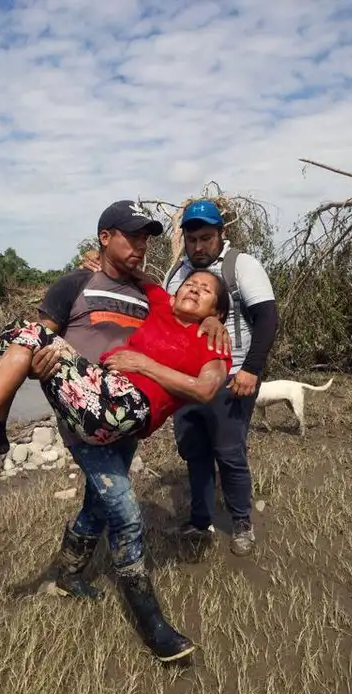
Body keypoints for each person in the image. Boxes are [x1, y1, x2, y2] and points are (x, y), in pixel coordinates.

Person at [2, 200, 228, 664]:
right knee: (125, 512)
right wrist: (40, 366)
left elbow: (180, 307)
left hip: (129, 414)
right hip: (86, 408)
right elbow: (37, 340)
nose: (140, 246)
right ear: (105, 238)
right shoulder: (76, 281)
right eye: (132, 236)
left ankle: (66, 574)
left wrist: (213, 314)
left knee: (97, 504)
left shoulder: (150, 294)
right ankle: (150, 620)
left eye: (146, 239)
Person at [83, 199, 278, 557]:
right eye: (192, 239)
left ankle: (241, 522)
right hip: (179, 382)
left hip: (232, 377)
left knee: (230, 453)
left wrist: (251, 368)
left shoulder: (242, 266)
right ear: (184, 239)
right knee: (194, 452)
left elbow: (267, 318)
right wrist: (103, 260)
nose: (199, 246)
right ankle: (200, 520)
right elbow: (163, 302)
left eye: (206, 237)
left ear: (221, 234)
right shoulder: (180, 271)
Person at [0, 269, 230, 455]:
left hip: (127, 407)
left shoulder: (213, 341)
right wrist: (97, 261)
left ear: (216, 312)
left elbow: (205, 390)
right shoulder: (162, 303)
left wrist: (143, 365)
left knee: (28, 332)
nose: (193, 289)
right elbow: (134, 272)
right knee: (15, 333)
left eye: (205, 290)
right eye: (190, 283)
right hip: (98, 395)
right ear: (175, 293)